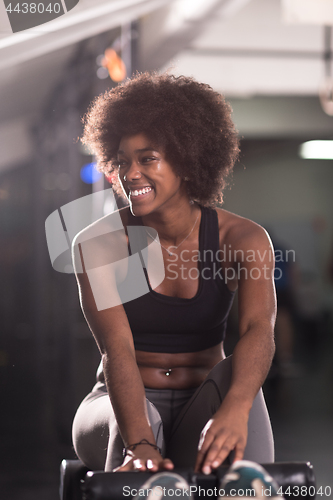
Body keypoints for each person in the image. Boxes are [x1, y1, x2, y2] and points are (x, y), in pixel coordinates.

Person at [71, 73, 276, 475]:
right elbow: (118, 350)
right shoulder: (99, 245)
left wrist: (236, 408)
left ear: (186, 159)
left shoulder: (243, 238)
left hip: (203, 398)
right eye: (122, 161)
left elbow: (258, 329)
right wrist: (140, 442)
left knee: (243, 464)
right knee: (138, 461)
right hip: (118, 404)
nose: (130, 174)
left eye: (147, 158)